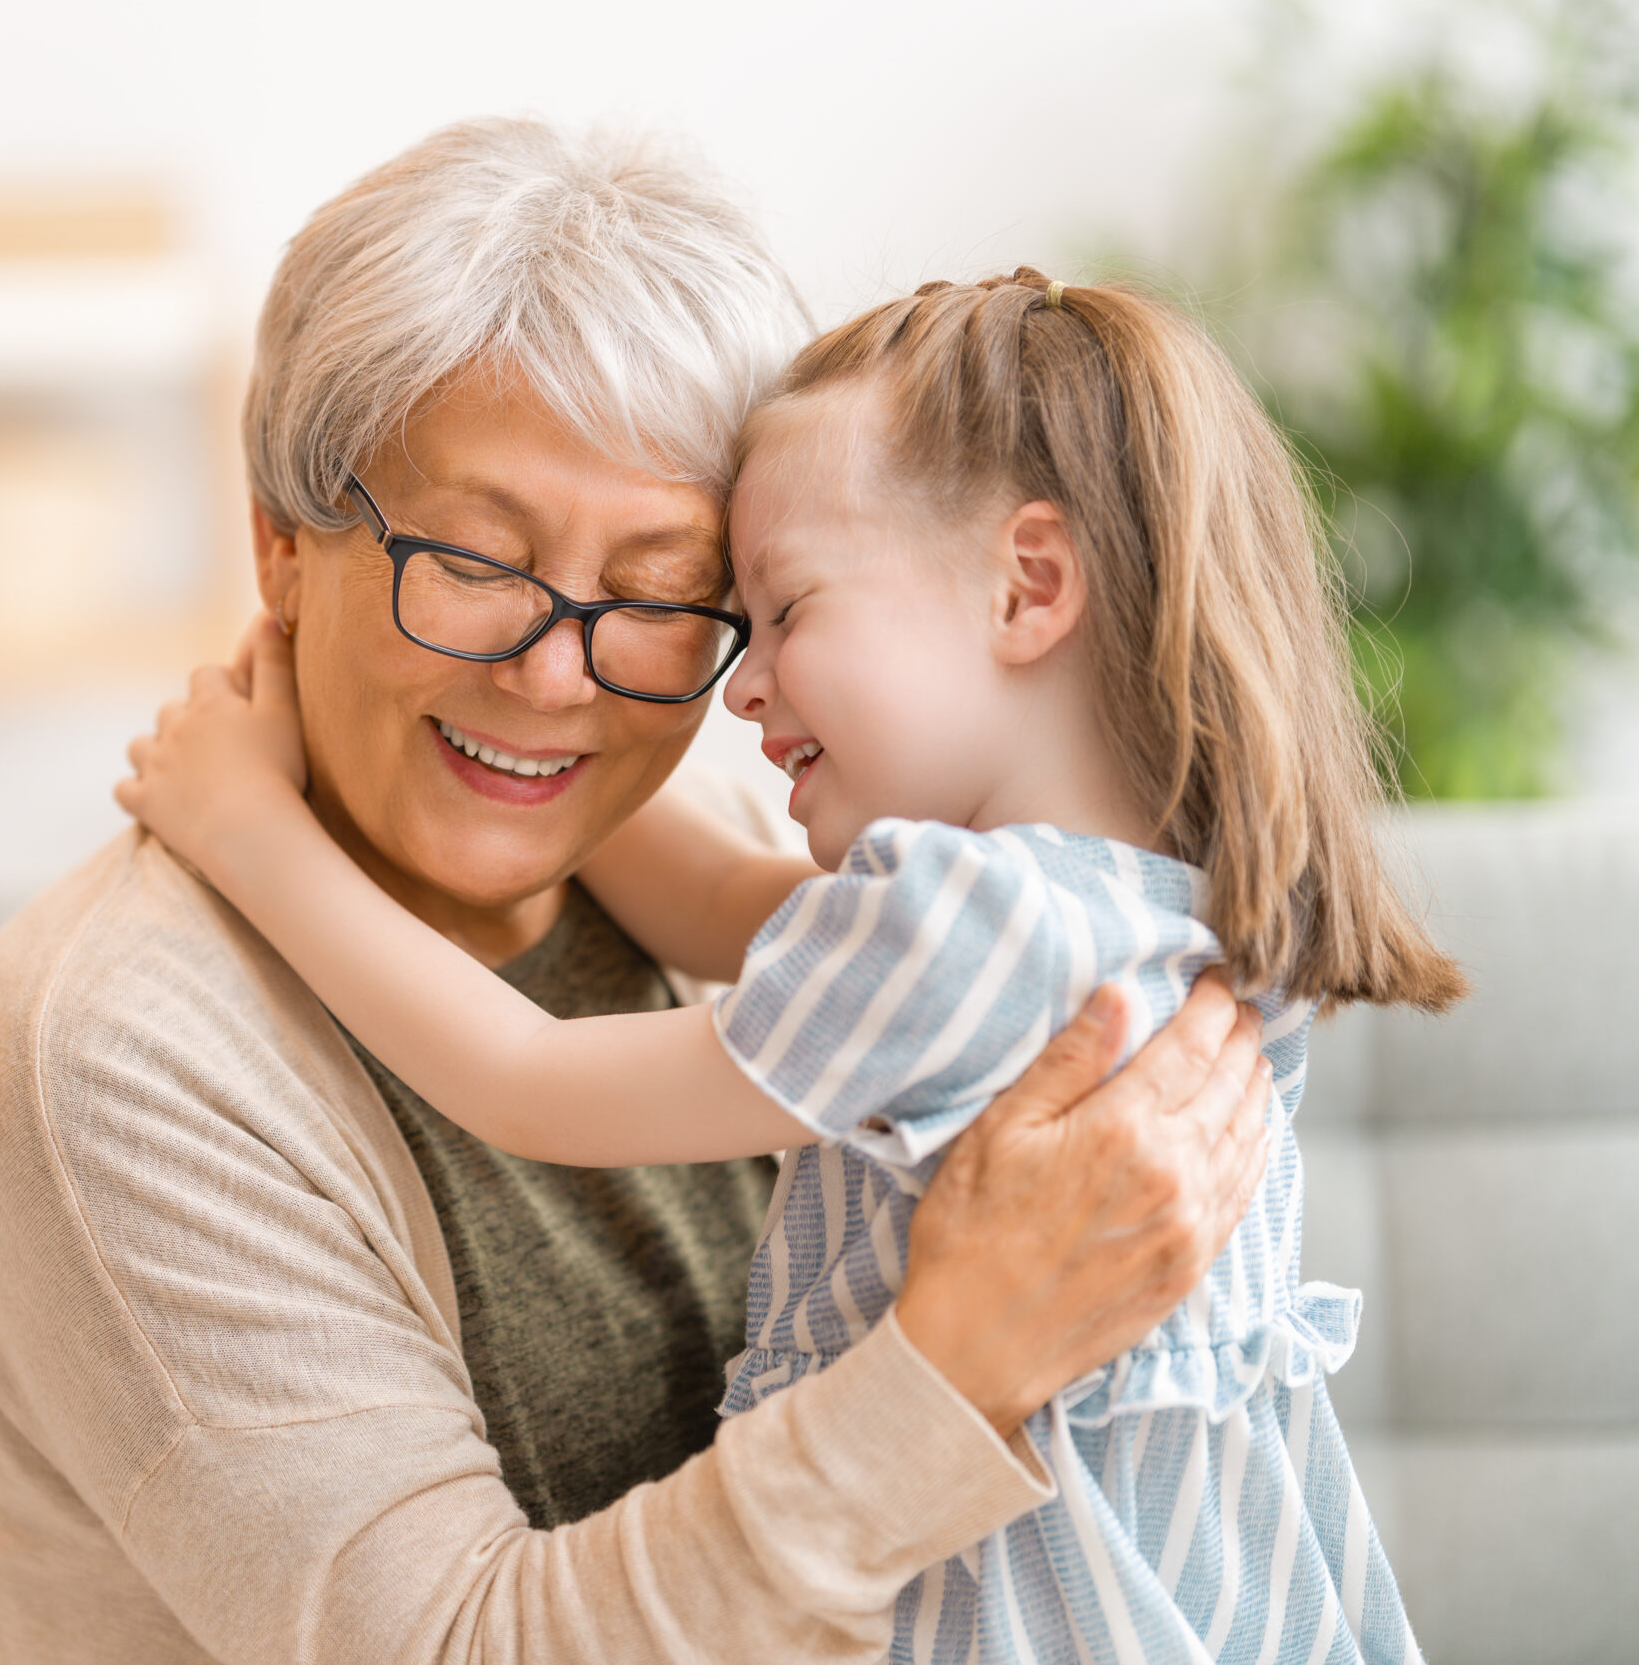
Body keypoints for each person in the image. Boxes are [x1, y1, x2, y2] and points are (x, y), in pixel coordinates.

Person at [0, 121, 1271, 1664]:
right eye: (477, 561)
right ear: (282, 548)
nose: (559, 673)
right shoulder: (111, 1054)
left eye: (657, 593)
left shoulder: (777, 841)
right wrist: (959, 1363)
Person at [116, 267, 1464, 1664]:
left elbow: (522, 1077)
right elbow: (712, 898)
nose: (742, 685)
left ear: (1030, 585)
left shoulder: (951, 931)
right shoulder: (1140, 916)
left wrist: (246, 826)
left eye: (786, 613)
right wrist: (543, 757)